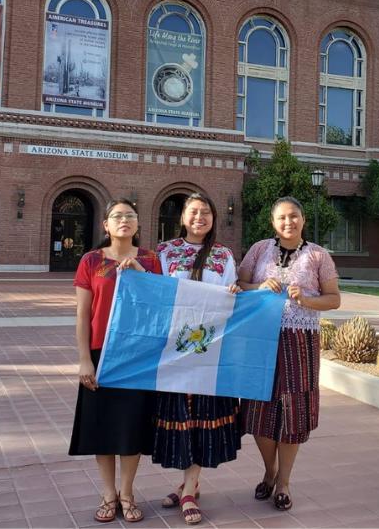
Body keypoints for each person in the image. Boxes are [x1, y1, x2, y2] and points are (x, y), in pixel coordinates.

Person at [236, 196, 341, 512]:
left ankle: (283, 482)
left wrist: (306, 300)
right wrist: (257, 287)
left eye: (293, 216)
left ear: (303, 219)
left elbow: (334, 299)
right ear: (273, 222)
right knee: (258, 408)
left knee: (293, 410)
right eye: (281, 218)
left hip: (300, 340)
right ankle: (270, 470)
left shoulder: (318, 255)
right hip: (260, 338)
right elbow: (239, 284)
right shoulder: (258, 250)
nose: (288, 222)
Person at [69, 198, 162, 523]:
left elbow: (158, 308)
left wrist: (141, 274)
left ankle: (127, 492)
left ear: (137, 225)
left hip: (137, 356)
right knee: (102, 427)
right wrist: (84, 360)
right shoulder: (91, 261)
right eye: (117, 216)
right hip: (100, 354)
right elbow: (83, 314)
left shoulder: (151, 260)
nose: (124, 220)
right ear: (105, 225)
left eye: (130, 215)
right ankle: (108, 494)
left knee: (130, 427)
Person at [153, 193, 242, 525]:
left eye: (206, 211)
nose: (200, 217)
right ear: (182, 218)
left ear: (214, 218)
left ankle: (189, 489)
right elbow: (156, 292)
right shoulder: (164, 252)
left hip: (210, 350)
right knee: (180, 417)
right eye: (194, 211)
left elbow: (232, 295)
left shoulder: (223, 255)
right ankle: (187, 481)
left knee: (201, 417)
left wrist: (234, 293)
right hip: (173, 350)